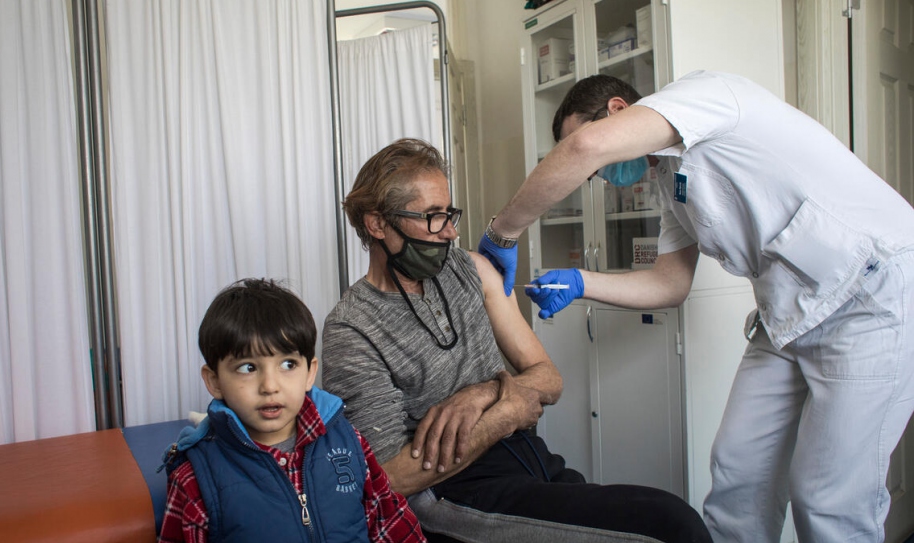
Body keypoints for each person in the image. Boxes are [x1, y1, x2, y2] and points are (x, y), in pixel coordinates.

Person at [477, 70, 914, 542]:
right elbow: (669, 284)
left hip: (867, 298)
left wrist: (504, 230)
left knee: (828, 498)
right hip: (788, 313)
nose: (593, 175)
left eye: (582, 143)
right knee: (738, 475)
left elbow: (586, 149)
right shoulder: (670, 181)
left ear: (618, 111)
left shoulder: (707, 95)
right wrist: (582, 281)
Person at [322, 138, 712, 543]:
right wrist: (506, 413)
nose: (451, 231)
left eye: (449, 213)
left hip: (527, 457)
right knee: (668, 526)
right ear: (377, 224)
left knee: (659, 515)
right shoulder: (352, 329)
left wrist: (480, 394)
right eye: (433, 217)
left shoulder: (470, 269)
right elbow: (390, 478)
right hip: (452, 491)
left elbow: (548, 379)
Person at [157, 278, 425, 543]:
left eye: (287, 365)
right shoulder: (195, 478)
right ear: (214, 381)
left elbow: (389, 521)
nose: (270, 386)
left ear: (310, 373)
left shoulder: (348, 441)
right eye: (248, 368)